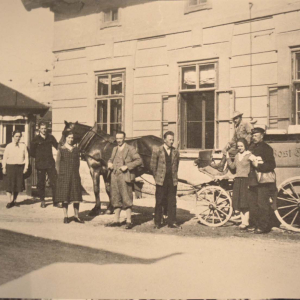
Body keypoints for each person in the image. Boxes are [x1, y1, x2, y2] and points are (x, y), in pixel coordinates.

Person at [106, 131, 142, 229]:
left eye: (120, 138)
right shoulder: (114, 149)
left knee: (126, 198)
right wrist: (109, 163)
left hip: (125, 177)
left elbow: (139, 160)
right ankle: (116, 220)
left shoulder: (130, 149)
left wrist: (127, 166)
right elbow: (110, 159)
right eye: (117, 138)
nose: (118, 140)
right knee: (115, 197)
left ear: (124, 138)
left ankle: (129, 221)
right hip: (114, 176)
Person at [247, 127, 277, 234]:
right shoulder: (251, 147)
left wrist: (258, 165)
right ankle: (254, 224)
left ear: (262, 136)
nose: (253, 137)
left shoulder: (267, 148)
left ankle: (263, 227)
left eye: (256, 135)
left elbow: (272, 165)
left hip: (263, 180)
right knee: (253, 203)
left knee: (262, 203)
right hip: (253, 179)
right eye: (253, 135)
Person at [150, 131, 180, 229]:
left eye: (173, 140)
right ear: (164, 140)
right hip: (161, 180)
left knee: (172, 201)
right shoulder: (157, 150)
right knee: (159, 201)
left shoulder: (175, 152)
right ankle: (157, 222)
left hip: (172, 180)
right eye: (170, 140)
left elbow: (176, 166)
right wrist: (157, 178)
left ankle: (172, 222)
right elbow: (153, 166)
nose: (172, 142)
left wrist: (173, 176)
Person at [54, 131, 84, 224]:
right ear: (65, 138)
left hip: (74, 175)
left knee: (76, 196)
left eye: (72, 138)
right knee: (65, 196)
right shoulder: (61, 149)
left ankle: (76, 216)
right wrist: (60, 175)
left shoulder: (76, 149)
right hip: (64, 175)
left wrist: (76, 173)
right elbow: (57, 164)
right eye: (69, 137)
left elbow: (77, 163)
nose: (71, 139)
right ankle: (65, 216)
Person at [30, 122, 61, 208]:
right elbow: (32, 153)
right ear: (39, 129)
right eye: (42, 128)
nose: (44, 130)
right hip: (40, 164)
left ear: (47, 129)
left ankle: (56, 201)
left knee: (54, 182)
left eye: (45, 128)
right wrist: (39, 157)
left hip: (50, 163)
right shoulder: (35, 139)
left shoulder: (51, 137)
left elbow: (57, 146)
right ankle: (42, 200)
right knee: (41, 183)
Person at [226, 138, 252, 230]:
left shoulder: (249, 155)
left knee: (245, 202)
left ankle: (246, 222)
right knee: (240, 202)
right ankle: (243, 221)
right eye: (238, 146)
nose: (240, 148)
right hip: (238, 180)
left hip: (246, 180)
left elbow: (252, 170)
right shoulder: (237, 156)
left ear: (245, 146)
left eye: (241, 146)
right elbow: (233, 166)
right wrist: (228, 158)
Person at [2, 130, 29, 208]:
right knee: (9, 185)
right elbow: (4, 157)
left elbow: (26, 157)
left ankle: (14, 200)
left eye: (19, 136)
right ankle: (9, 201)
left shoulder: (23, 146)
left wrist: (26, 167)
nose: (18, 138)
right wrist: (4, 167)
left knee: (18, 185)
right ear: (13, 137)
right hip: (10, 167)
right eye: (16, 136)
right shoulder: (9, 146)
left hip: (20, 167)